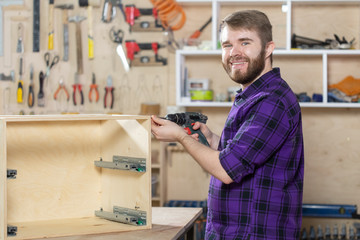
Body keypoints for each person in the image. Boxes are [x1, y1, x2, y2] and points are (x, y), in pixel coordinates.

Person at [151, 10, 304, 240]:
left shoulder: (272, 101)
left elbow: (226, 170)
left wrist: (180, 137)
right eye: (227, 45)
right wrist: (212, 140)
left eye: (245, 42)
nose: (234, 53)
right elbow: (245, 154)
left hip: (253, 234)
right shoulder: (252, 95)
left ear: (269, 48)